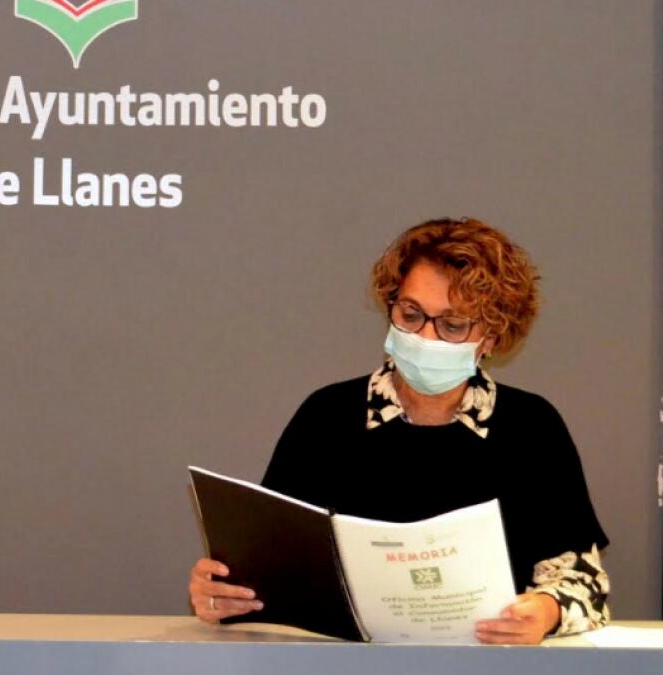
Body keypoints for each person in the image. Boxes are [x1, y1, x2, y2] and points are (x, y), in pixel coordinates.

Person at [188, 218, 609, 645]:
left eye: (452, 324)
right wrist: (222, 592)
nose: (425, 335)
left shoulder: (532, 427)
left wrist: (545, 611)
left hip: (487, 663)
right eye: (410, 314)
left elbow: (583, 582)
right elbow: (266, 566)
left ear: (492, 337)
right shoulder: (326, 416)